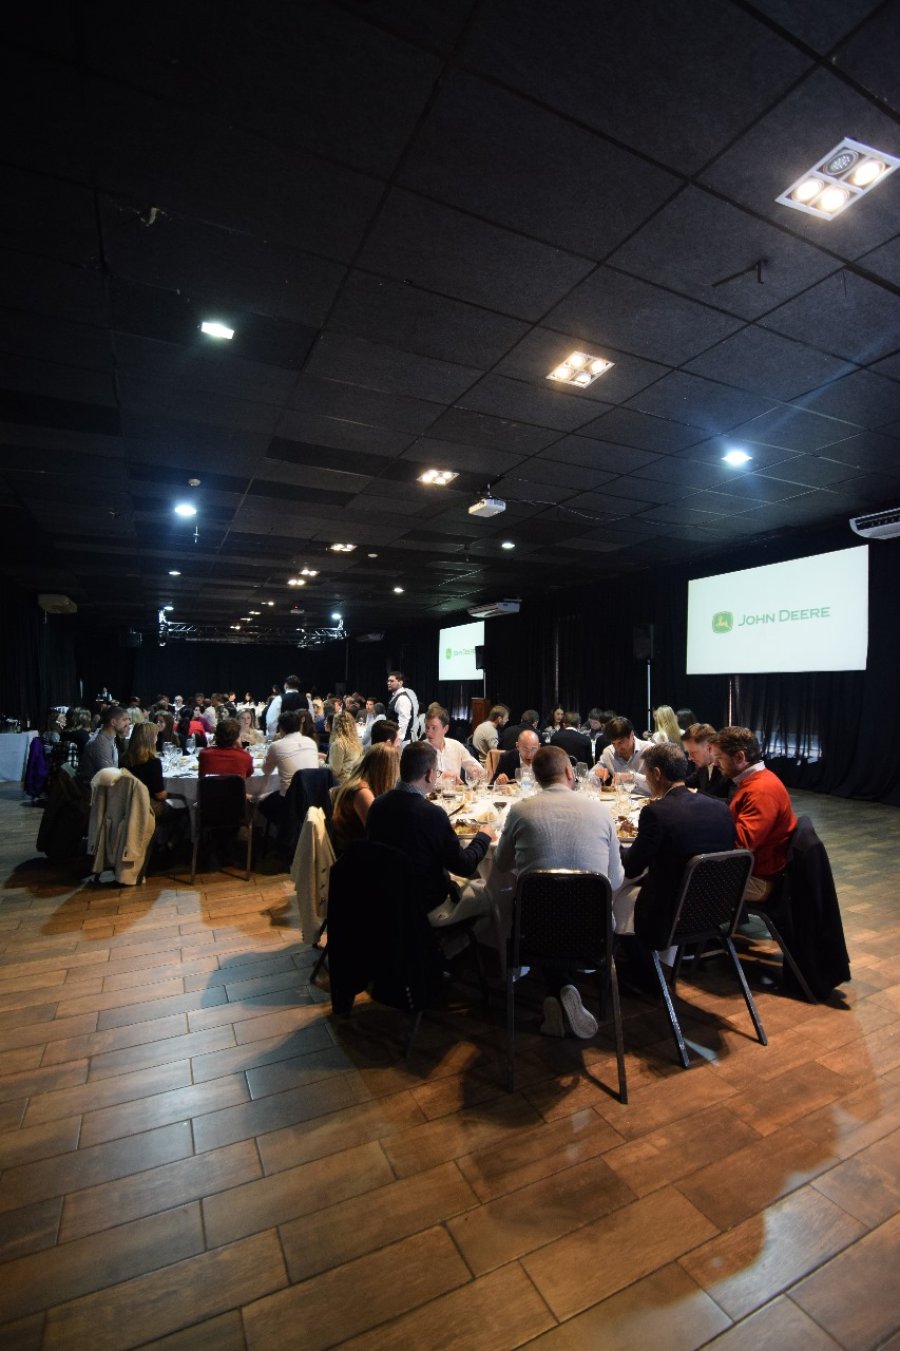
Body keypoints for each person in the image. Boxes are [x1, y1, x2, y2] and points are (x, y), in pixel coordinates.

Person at [494, 746, 624, 1038]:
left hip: (534, 931)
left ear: (536, 778)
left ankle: (556, 991)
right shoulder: (602, 812)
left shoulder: (519, 810)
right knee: (566, 916)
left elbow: (501, 864)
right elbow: (614, 881)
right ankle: (564, 988)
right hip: (594, 932)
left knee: (545, 914)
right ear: (569, 772)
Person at [615, 742, 734, 947]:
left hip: (670, 910)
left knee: (616, 895)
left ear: (657, 773)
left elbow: (632, 868)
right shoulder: (721, 808)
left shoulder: (656, 813)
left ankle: (632, 961)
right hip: (716, 905)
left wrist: (613, 843)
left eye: (647, 774)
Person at [366, 740, 496, 924]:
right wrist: (484, 836)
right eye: (436, 771)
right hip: (426, 904)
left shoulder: (377, 805)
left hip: (382, 898)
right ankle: (459, 948)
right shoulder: (432, 814)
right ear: (428, 775)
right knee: (491, 896)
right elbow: (465, 866)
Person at [711, 726, 798, 902]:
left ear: (740, 757)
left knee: (678, 877)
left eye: (719, 758)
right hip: (752, 868)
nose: (715, 763)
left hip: (758, 879)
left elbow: (741, 846)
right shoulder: (754, 781)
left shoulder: (762, 790)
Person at [121, 722, 188, 851]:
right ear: (151, 738)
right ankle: (171, 847)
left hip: (128, 802)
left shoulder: (124, 758)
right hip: (150, 805)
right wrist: (179, 794)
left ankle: (162, 842)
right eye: (156, 735)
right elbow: (160, 795)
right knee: (186, 808)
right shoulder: (152, 762)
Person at [331, 743, 400, 853]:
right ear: (386, 771)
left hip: (352, 849)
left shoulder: (358, 784)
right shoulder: (362, 792)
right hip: (351, 855)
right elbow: (376, 832)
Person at [258, 710, 320, 825]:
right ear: (299, 725)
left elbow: (266, 770)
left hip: (289, 801)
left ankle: (281, 832)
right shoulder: (311, 742)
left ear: (281, 728)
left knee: (261, 802)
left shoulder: (276, 746)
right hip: (313, 797)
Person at [593, 716, 652, 794]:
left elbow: (661, 785)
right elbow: (588, 777)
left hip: (647, 801)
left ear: (631, 735)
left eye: (620, 742)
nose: (617, 748)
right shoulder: (609, 752)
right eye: (613, 743)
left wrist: (633, 777)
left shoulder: (650, 750)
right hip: (620, 801)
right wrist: (596, 774)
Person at [424, 707, 481, 783]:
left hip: (455, 794)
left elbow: (476, 767)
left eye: (434, 728)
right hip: (429, 794)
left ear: (445, 729)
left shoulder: (456, 746)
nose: (428, 732)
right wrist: (444, 776)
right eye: (427, 727)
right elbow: (418, 780)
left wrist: (474, 770)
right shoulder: (421, 750)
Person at [77, 705, 131, 783]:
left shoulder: (107, 739)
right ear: (113, 722)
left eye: (128, 719)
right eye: (124, 719)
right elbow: (109, 779)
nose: (128, 723)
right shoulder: (101, 743)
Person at [682, 723, 729, 797]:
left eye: (693, 752)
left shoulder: (729, 768)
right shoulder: (702, 767)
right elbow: (685, 783)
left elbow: (731, 804)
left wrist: (696, 792)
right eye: (688, 753)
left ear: (709, 747)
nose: (689, 758)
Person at [327, 710, 363, 783]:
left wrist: (320, 763)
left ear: (336, 725)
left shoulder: (338, 744)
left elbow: (334, 771)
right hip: (355, 781)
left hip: (342, 784)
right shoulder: (357, 742)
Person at [386, 671, 419, 743]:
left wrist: (397, 741)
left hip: (400, 742)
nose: (388, 683)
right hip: (395, 739)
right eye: (388, 681)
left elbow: (403, 723)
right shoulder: (395, 696)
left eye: (391, 681)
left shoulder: (402, 699)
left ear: (400, 683)